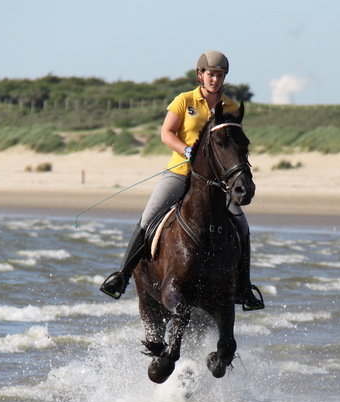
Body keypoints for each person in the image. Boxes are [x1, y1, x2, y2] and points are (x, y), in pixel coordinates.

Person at [100, 50, 264, 311]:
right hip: (179, 173)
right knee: (148, 217)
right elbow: (166, 133)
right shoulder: (184, 101)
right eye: (211, 74)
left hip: (216, 183)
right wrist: (186, 151)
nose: (215, 79)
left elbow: (231, 144)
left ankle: (244, 287)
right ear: (201, 75)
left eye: (220, 75)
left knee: (241, 226)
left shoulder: (231, 108)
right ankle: (121, 277)